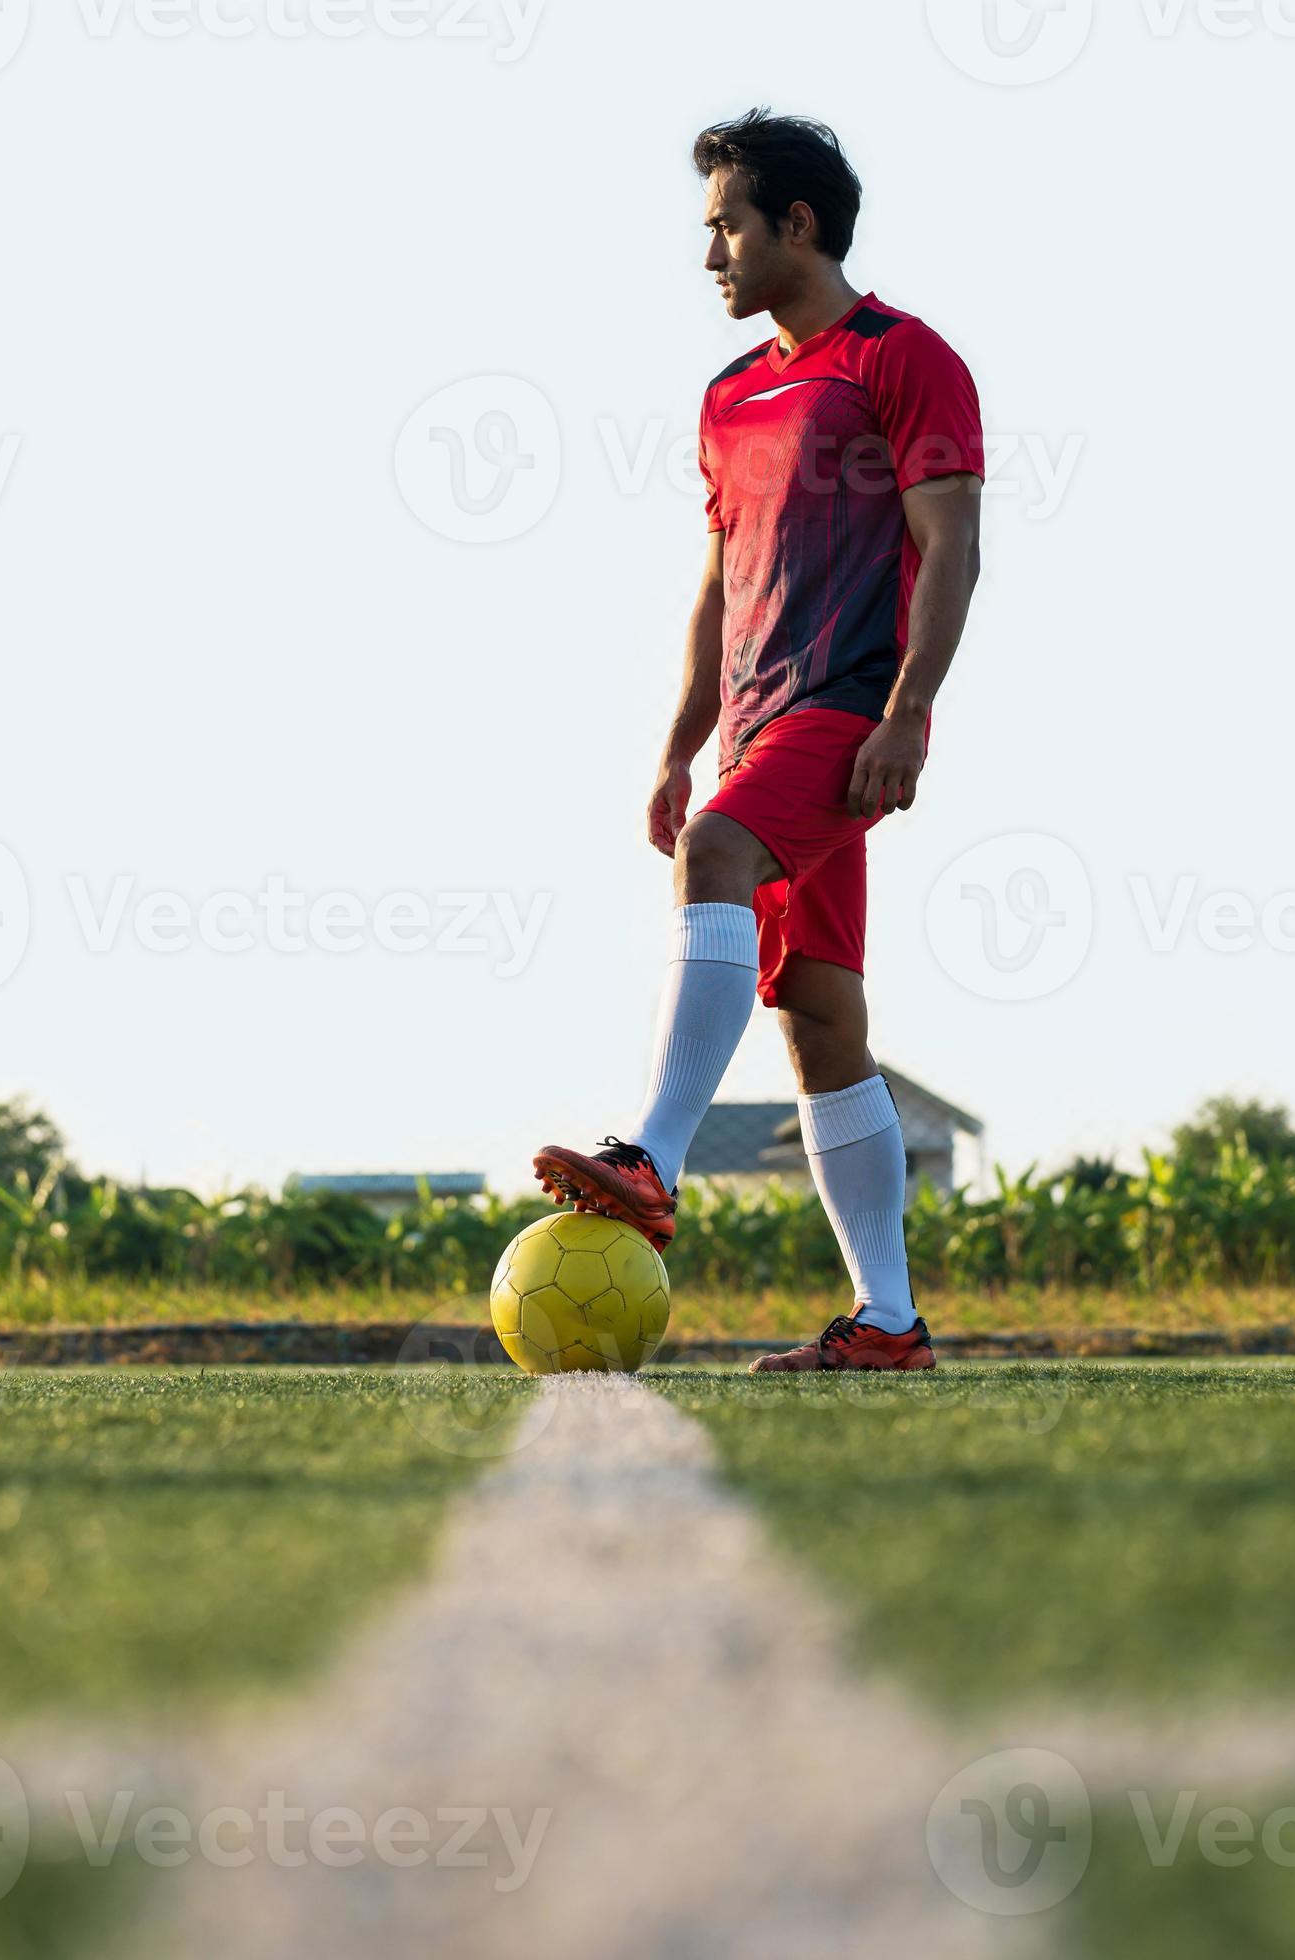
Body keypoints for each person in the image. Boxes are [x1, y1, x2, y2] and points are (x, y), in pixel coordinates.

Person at [533, 110, 985, 1374]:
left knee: (720, 857)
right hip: (754, 726)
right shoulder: (728, 395)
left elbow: (952, 544)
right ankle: (889, 1325)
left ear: (799, 224)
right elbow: (722, 580)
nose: (711, 253)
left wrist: (908, 714)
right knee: (821, 1016)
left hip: (849, 713)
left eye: (727, 224)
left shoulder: (906, 359)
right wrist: (680, 748)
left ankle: (651, 1163)